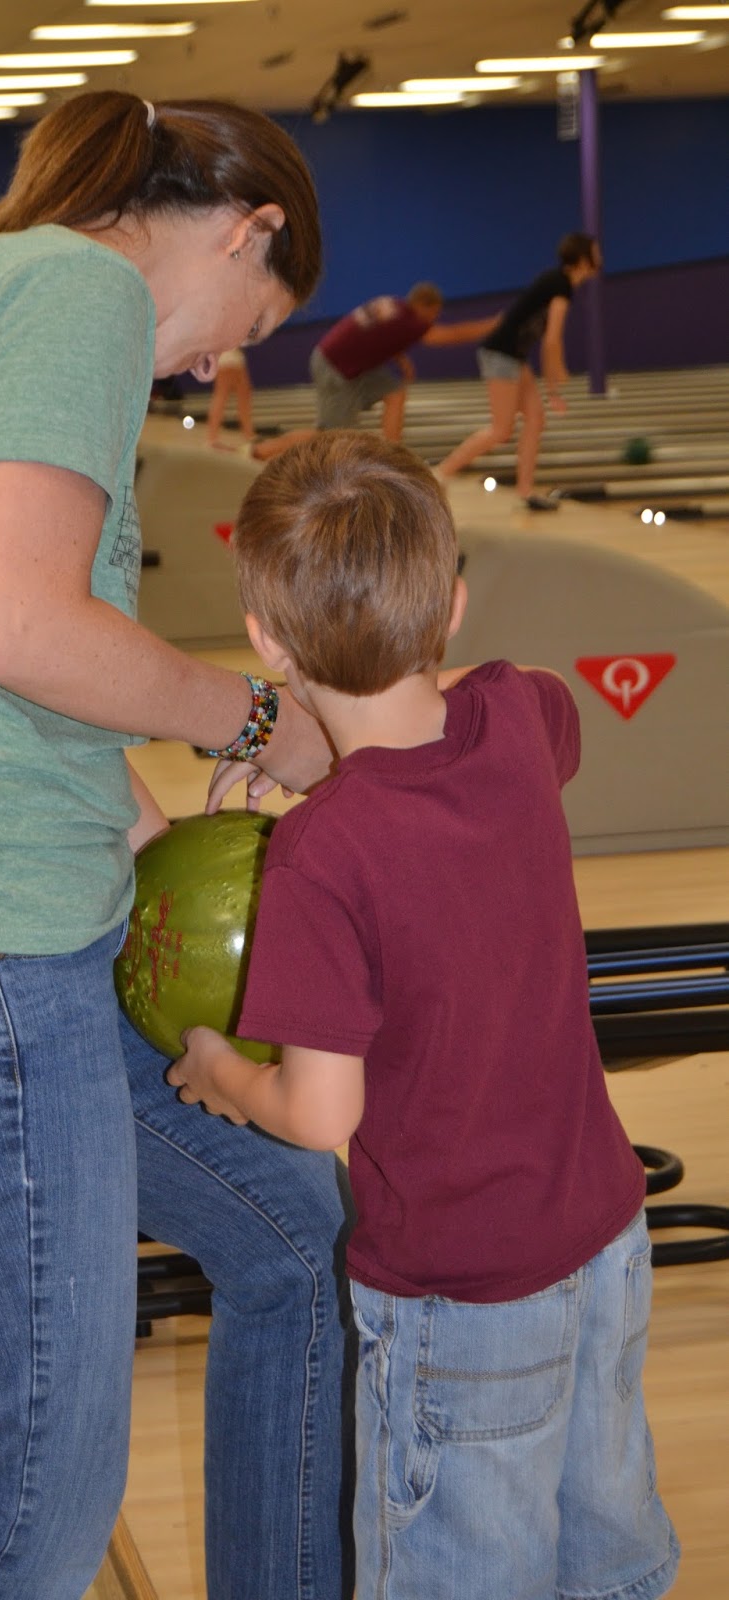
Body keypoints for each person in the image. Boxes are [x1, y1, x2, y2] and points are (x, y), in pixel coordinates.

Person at [0, 92, 355, 1600]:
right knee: (31, 1520)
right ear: (246, 228)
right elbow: (19, 628)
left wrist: (150, 826)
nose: (214, 367)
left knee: (298, 1234)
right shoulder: (81, 289)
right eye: (247, 327)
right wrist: (258, 720)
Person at [169, 432, 680, 1600]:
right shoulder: (516, 716)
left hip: (463, 1295)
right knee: (606, 1553)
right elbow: (521, 723)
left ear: (267, 642)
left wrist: (216, 1068)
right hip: (605, 1240)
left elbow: (319, 1112)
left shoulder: (319, 855)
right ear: (451, 603)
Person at [436, 232, 602, 510]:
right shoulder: (561, 285)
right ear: (584, 260)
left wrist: (552, 389)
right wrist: (557, 378)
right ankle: (439, 474)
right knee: (501, 430)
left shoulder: (557, 281)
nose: (601, 258)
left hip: (512, 356)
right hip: (500, 353)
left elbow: (546, 339)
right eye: (596, 253)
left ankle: (525, 492)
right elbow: (552, 340)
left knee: (535, 419)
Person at [309, 282, 498, 440]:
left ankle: (392, 452)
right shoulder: (409, 322)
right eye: (434, 313)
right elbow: (452, 335)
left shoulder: (396, 306)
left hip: (346, 363)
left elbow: (377, 335)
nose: (433, 319)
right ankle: (288, 449)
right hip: (333, 367)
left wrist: (403, 361)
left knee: (395, 392)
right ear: (424, 306)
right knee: (331, 435)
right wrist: (495, 324)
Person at [207, 345, 253, 447]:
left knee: (223, 398)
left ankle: (212, 437)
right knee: (235, 399)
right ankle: (248, 436)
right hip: (231, 361)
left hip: (227, 361)